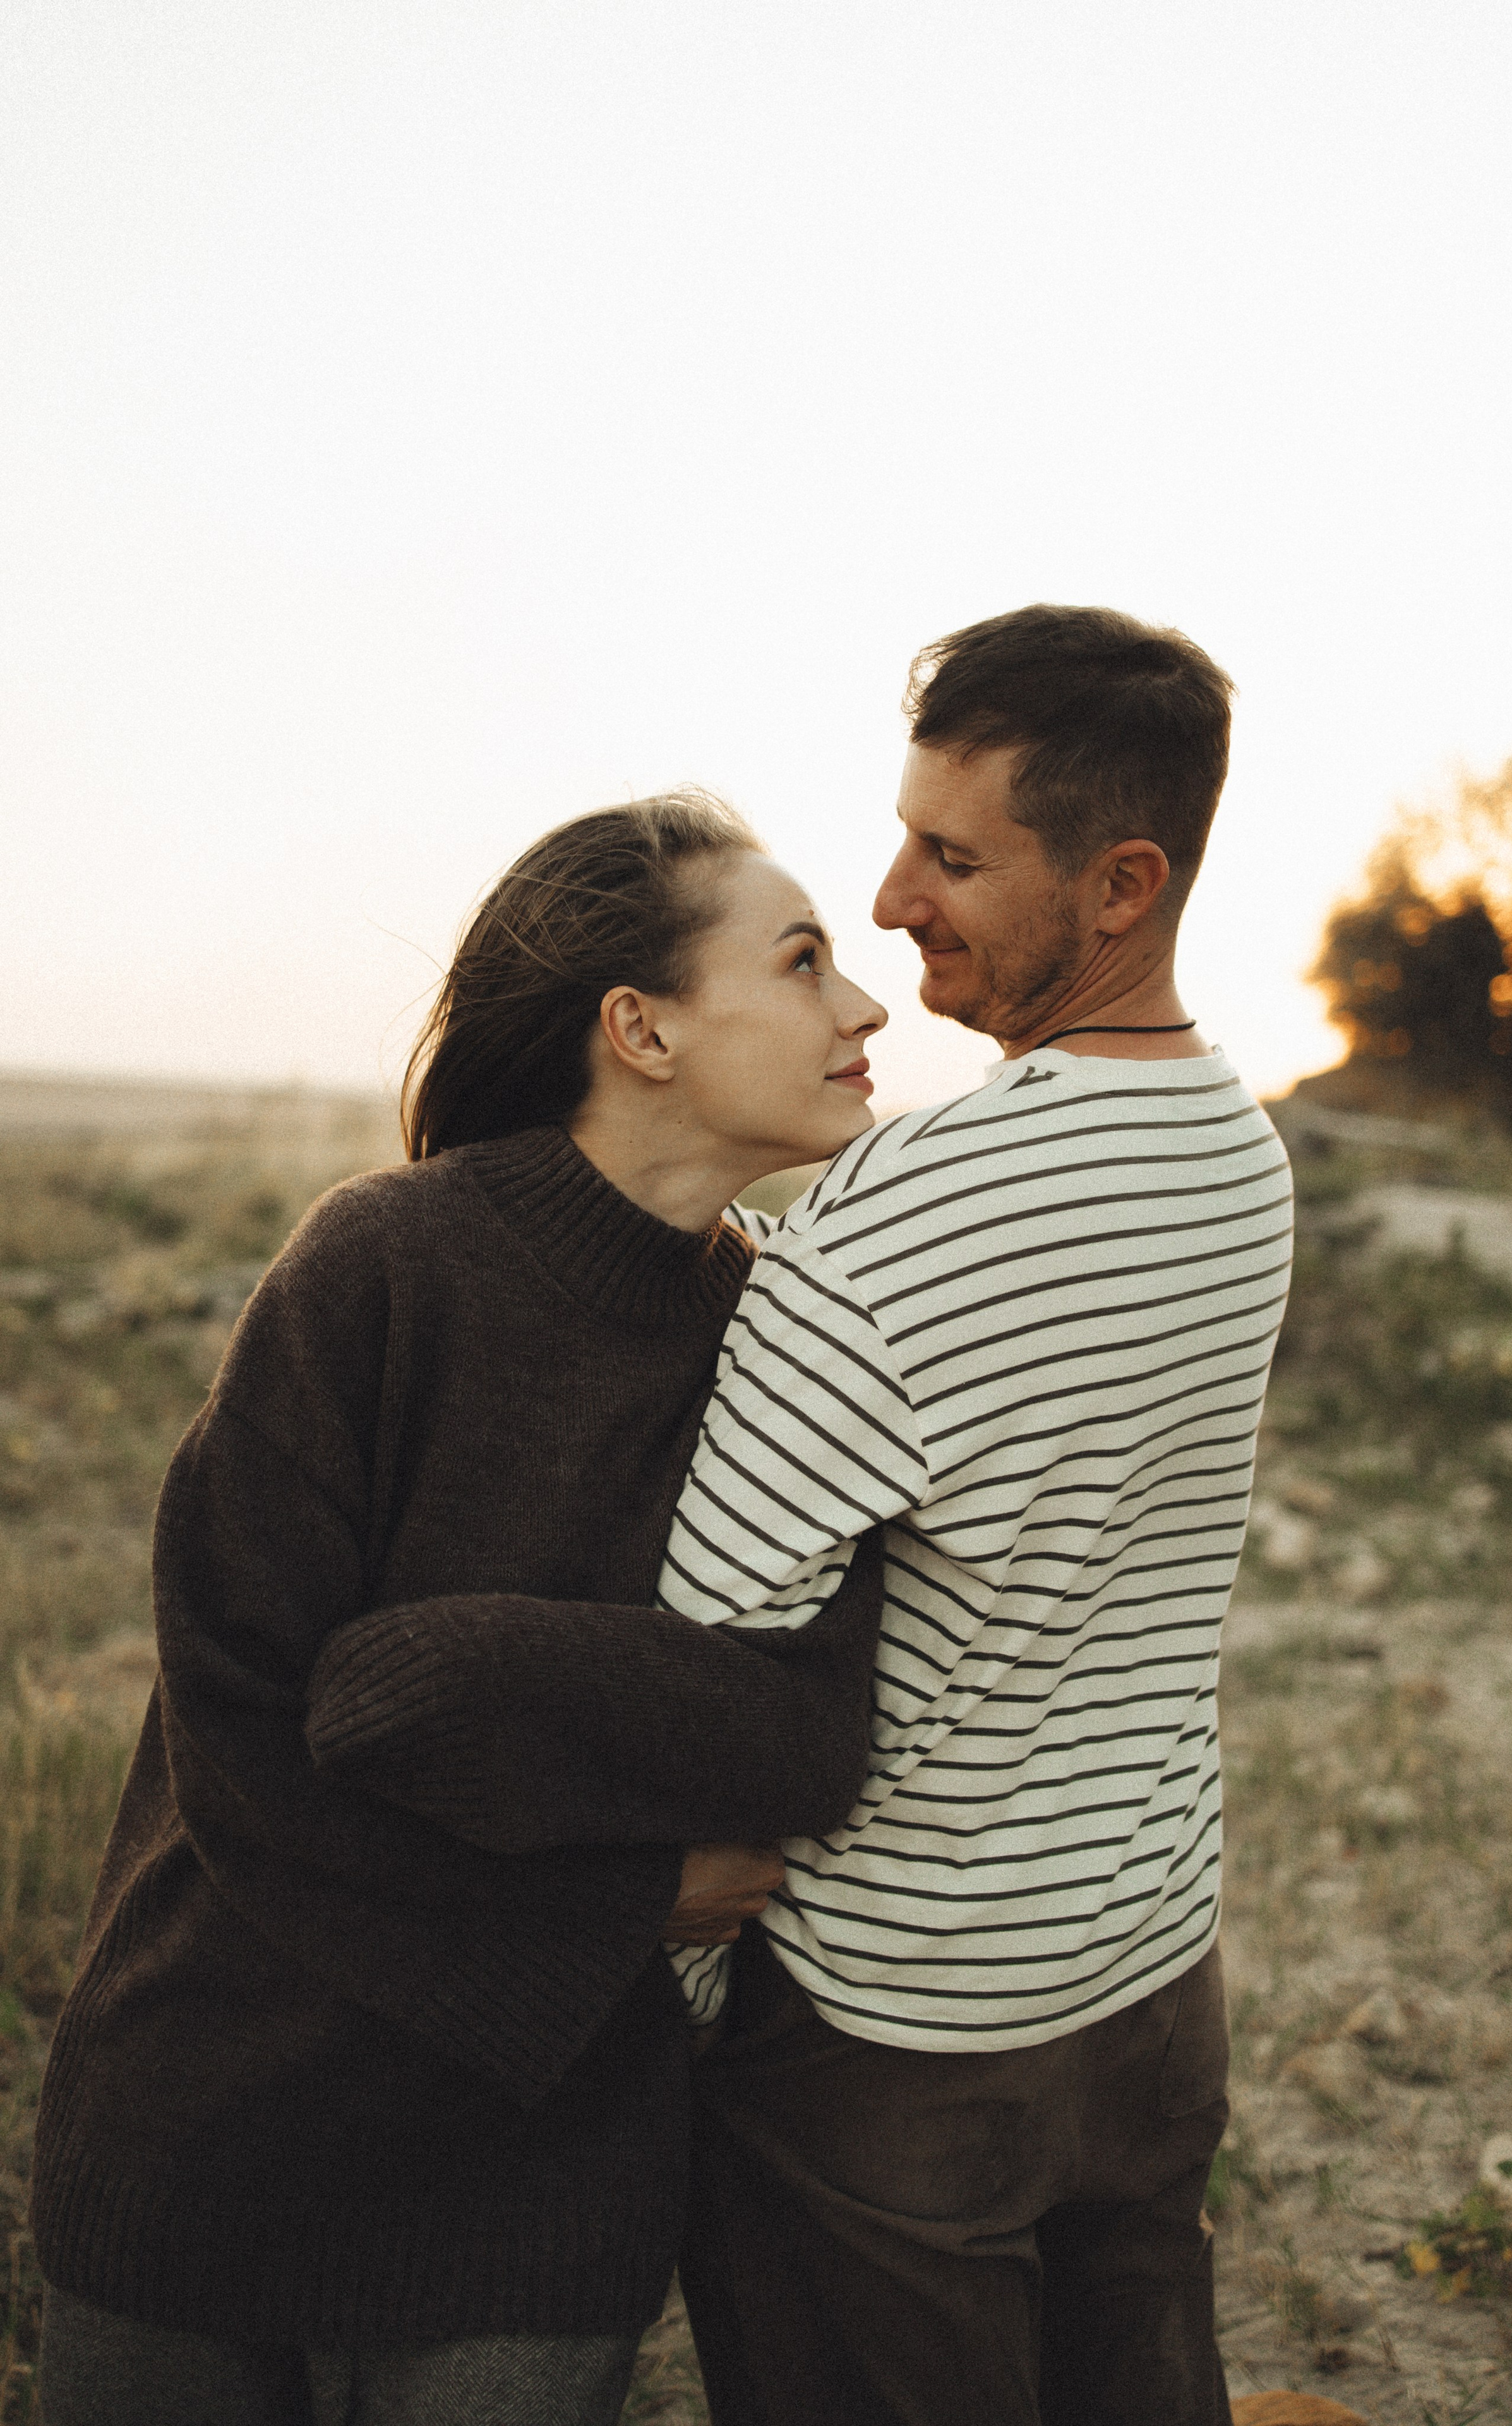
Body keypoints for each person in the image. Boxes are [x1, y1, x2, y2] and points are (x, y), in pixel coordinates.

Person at [30, 792, 889, 2426]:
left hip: (536, 2181)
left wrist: (455, 1668)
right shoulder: (381, 1267)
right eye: (802, 961)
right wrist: (616, 1895)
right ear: (640, 1028)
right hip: (214, 2115)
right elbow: (244, 1730)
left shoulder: (789, 1346)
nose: (866, 1006)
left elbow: (805, 1729)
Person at [657, 607, 1294, 2426]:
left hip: (904, 2039)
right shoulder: (1239, 1158)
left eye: (952, 855)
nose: (887, 899)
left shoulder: (901, 1215)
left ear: (1119, 885)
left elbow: (705, 1635)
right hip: (1152, 1977)